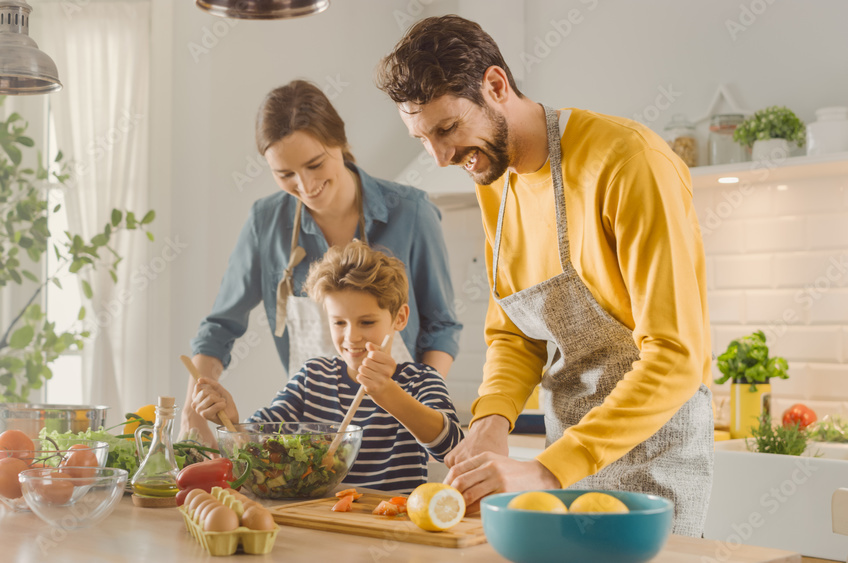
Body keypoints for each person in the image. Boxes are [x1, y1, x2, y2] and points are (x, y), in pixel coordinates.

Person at [375, 15, 713, 536]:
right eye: (423, 139)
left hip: (654, 466)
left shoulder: (627, 162)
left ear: (495, 85)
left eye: (447, 129)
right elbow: (515, 332)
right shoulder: (495, 180)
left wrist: (544, 469)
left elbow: (677, 353)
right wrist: (490, 424)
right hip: (565, 464)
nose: (441, 158)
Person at [183, 80, 462, 446]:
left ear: (340, 144)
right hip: (311, 432)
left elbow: (441, 325)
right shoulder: (265, 223)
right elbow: (220, 327)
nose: (306, 184)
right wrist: (193, 414)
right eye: (285, 175)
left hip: (401, 430)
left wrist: (418, 402)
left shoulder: (411, 212)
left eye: (315, 164)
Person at [192, 241, 463, 491]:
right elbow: (260, 439)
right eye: (339, 322)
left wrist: (387, 393)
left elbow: (452, 447)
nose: (351, 337)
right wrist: (233, 422)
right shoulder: (314, 377)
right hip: (322, 522)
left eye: (367, 322)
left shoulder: (421, 380)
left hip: (392, 524)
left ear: (400, 318)